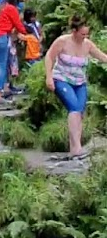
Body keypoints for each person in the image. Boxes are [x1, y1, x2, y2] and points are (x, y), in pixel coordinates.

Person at [45, 14, 107, 156]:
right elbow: (49, 56)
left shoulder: (88, 44)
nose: (84, 36)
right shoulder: (62, 41)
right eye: (82, 34)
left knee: (79, 111)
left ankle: (74, 148)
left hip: (80, 82)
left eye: (87, 34)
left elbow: (102, 57)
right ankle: (78, 148)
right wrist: (49, 77)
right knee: (74, 107)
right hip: (61, 79)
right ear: (74, 31)